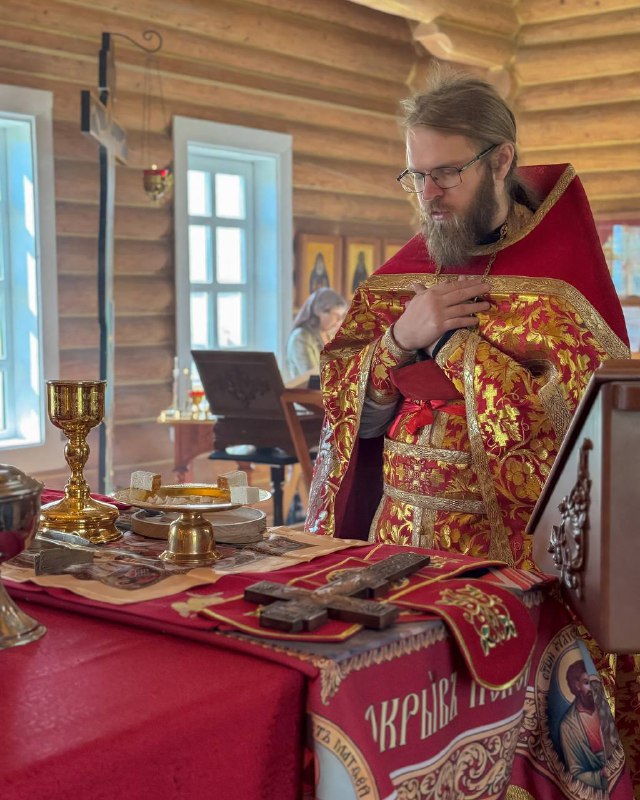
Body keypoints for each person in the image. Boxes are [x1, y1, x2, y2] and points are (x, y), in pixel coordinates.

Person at [304, 65, 638, 788]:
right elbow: (347, 414)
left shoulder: (561, 282)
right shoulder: (406, 273)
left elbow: (592, 432)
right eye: (416, 176)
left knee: (509, 756)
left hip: (512, 570)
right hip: (396, 556)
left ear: (501, 160)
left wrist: (461, 356)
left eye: (446, 174)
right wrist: (401, 339)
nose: (429, 194)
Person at [559, 661, 607, 789]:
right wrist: (600, 775)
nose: (592, 688)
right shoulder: (568, 726)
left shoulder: (606, 707)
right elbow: (575, 774)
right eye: (586, 683)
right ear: (577, 686)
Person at [286, 287, 348, 379]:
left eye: (341, 316)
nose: (339, 320)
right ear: (319, 311)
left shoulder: (330, 334)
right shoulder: (301, 337)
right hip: (309, 388)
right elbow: (314, 378)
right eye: (336, 315)